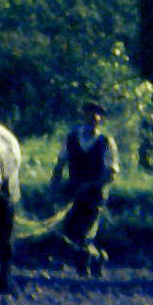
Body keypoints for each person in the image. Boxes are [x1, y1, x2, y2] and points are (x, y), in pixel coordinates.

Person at [51, 100, 118, 277]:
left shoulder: (106, 142)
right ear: (83, 117)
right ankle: (90, 259)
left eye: (96, 117)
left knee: (84, 231)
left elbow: (111, 173)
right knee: (67, 230)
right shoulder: (71, 138)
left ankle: (91, 259)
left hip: (94, 195)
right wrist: (54, 186)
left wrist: (91, 186)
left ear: (100, 120)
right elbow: (60, 164)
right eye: (89, 115)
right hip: (73, 190)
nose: (92, 119)